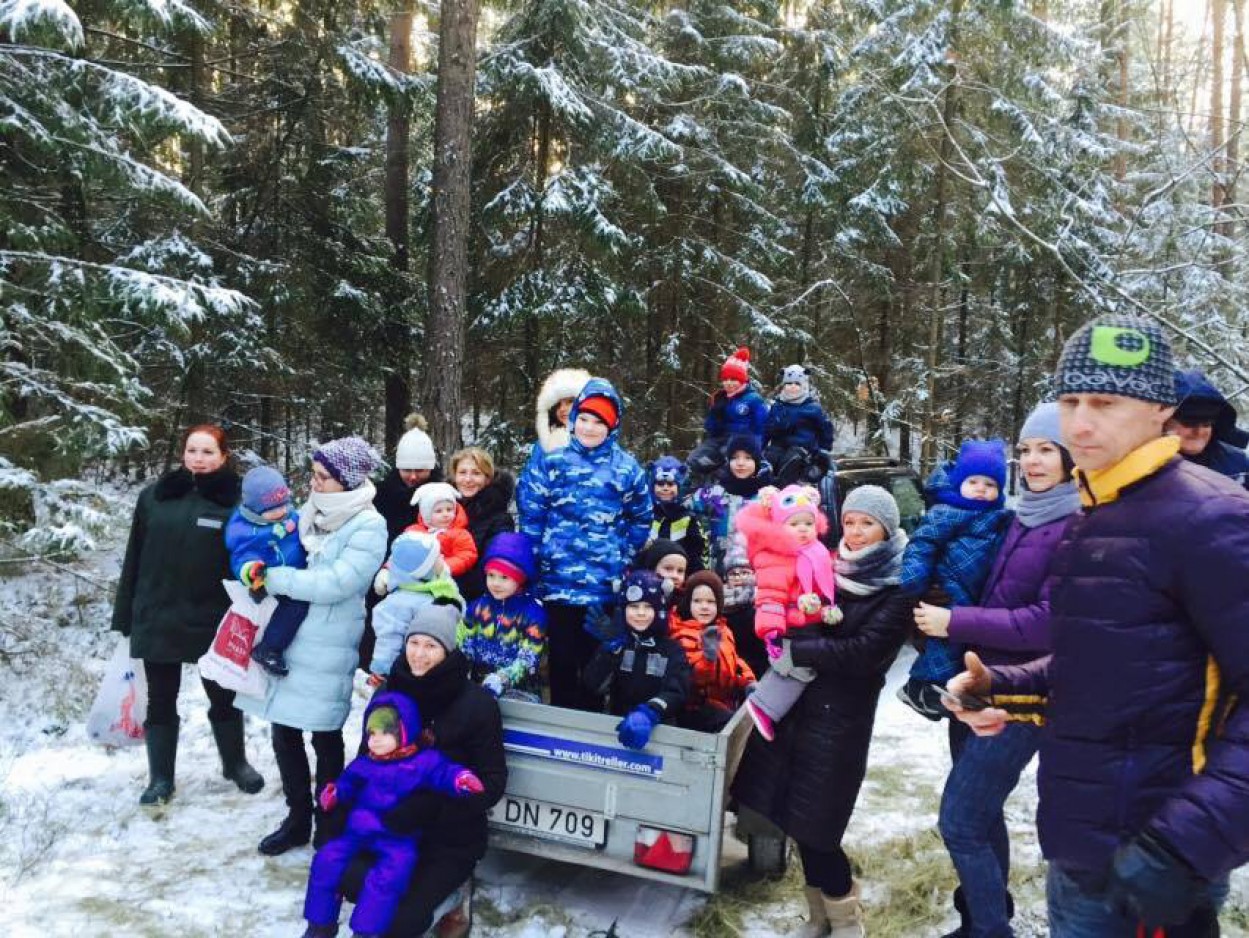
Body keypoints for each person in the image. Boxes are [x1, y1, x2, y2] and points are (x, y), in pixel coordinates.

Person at [945, 315, 1249, 938]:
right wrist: (1002, 686)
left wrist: (1182, 847)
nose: (1079, 424)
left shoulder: (1212, 518)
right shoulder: (1097, 509)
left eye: (1106, 403)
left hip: (1155, 859)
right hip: (1081, 845)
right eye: (1070, 401)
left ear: (1162, 409)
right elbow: (1111, 663)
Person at [915, 402, 1080, 938]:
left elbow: (1047, 623)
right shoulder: (1020, 515)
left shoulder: (1075, 525)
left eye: (1046, 450)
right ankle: (981, 921)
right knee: (982, 814)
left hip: (1024, 697)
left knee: (959, 820)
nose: (1032, 461)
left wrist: (954, 620)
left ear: (1070, 456)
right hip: (978, 681)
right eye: (1026, 450)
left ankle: (991, 931)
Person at [731, 485, 911, 938]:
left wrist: (799, 650)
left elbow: (863, 653)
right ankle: (818, 918)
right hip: (801, 713)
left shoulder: (896, 587)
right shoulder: (825, 564)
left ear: (887, 530)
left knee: (821, 830)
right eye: (850, 521)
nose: (856, 531)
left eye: (867, 523)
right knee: (797, 822)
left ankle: (847, 922)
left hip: (840, 723)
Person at [237, 436, 388, 856]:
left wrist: (277, 579)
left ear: (347, 481)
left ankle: (330, 820)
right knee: (284, 731)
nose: (314, 483)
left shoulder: (369, 524)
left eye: (323, 477)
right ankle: (297, 818)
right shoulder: (310, 511)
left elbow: (339, 582)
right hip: (287, 638)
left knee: (324, 735)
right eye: (314, 474)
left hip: (328, 643)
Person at [112, 423, 264, 805]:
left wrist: (254, 609)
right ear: (183, 452)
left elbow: (249, 559)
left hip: (213, 617)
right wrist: (125, 613)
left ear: (223, 456)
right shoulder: (154, 497)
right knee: (161, 701)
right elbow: (134, 557)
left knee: (223, 696)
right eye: (192, 450)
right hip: (158, 614)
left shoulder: (237, 503)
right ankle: (161, 779)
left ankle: (235, 764)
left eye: (208, 452)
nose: (198, 458)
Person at [338, 602, 507, 938]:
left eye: (431, 646)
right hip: (391, 828)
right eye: (413, 643)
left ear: (448, 650)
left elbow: (492, 782)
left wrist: (430, 807)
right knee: (347, 878)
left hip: (449, 837)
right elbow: (364, 762)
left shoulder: (476, 705)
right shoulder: (388, 693)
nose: (418, 654)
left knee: (399, 922)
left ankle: (452, 898)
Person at [300, 692, 483, 938]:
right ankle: (320, 925)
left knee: (387, 878)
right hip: (358, 831)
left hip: (396, 837)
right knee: (326, 860)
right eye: (371, 733)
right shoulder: (365, 763)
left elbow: (444, 773)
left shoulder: (424, 761)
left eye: (385, 732)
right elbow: (348, 783)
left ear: (405, 732)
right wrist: (335, 793)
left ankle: (366, 931)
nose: (375, 740)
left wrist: (461, 779)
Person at [517, 378, 652, 710]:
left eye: (599, 422)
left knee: (595, 669)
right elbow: (531, 514)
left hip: (602, 588)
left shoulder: (627, 469)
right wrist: (535, 562)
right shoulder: (551, 460)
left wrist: (623, 555)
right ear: (574, 418)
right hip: (557, 584)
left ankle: (591, 730)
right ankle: (561, 728)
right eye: (585, 419)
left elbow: (641, 517)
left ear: (612, 427)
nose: (590, 428)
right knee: (561, 663)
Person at [897, 440, 1011, 720]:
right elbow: (922, 544)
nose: (981, 489)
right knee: (944, 644)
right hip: (950, 586)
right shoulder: (945, 513)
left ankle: (938, 690)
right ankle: (923, 687)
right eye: (973, 482)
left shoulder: (1001, 518)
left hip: (979, 593)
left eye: (990, 484)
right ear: (959, 484)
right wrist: (914, 578)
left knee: (964, 649)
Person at [735, 484, 840, 742]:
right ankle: (764, 707)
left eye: (808, 523)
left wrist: (825, 608)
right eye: (794, 524)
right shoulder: (776, 556)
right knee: (798, 669)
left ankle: (766, 703)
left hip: (809, 620)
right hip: (788, 625)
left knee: (798, 667)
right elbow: (770, 595)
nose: (803, 529)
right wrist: (771, 631)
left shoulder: (816, 552)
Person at [582, 570, 692, 750]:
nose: (641, 613)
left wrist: (650, 712)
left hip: (661, 734)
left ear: (659, 611)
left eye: (648, 607)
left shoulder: (672, 649)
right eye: (634, 607)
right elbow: (593, 685)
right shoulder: (619, 645)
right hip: (617, 731)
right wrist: (611, 651)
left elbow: (678, 691)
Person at [366, 416, 441, 672]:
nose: (413, 476)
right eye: (406, 469)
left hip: (427, 585)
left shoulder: (441, 494)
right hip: (387, 581)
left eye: (420, 470)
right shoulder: (381, 495)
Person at [225, 465, 310, 677]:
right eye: (273, 509)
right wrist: (251, 570)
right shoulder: (245, 531)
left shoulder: (290, 516)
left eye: (284, 505)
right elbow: (241, 557)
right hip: (269, 579)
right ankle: (269, 648)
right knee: (296, 606)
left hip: (298, 572)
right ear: (255, 509)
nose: (281, 512)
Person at [667, 570, 756, 732]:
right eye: (697, 601)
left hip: (723, 701)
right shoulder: (682, 633)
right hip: (695, 707)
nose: (704, 607)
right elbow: (691, 679)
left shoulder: (724, 629)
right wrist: (708, 658)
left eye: (711, 601)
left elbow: (734, 661)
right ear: (688, 603)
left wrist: (748, 682)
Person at [461, 532, 547, 699]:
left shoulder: (534, 614)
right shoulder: (477, 607)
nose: (496, 583)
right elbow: (464, 643)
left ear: (521, 579)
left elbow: (529, 657)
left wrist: (502, 678)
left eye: (504, 577)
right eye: (491, 575)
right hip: (478, 684)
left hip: (520, 690)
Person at [368, 532, 464, 680]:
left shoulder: (441, 585)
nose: (443, 557)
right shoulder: (400, 602)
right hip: (414, 668)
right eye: (437, 556)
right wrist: (384, 671)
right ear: (423, 570)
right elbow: (389, 639)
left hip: (443, 664)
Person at [687, 433, 772, 576]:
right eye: (735, 458)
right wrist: (689, 476)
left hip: (755, 573)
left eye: (748, 458)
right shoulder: (713, 493)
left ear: (757, 461)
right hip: (715, 571)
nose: (740, 463)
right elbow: (683, 507)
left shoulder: (767, 497)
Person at [687, 347, 770, 476]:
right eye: (725, 379)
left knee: (726, 459)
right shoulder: (720, 398)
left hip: (743, 443)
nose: (729, 383)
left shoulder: (753, 399)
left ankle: (725, 480)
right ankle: (700, 481)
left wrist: (756, 450)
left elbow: (762, 428)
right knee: (695, 459)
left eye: (733, 379)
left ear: (742, 379)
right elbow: (711, 430)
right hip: (720, 441)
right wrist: (715, 413)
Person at [449, 446, 515, 603]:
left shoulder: (499, 518)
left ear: (487, 479)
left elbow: (494, 566)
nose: (468, 479)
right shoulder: (444, 509)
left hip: (476, 599)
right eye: (462, 472)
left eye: (476, 473)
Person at [1167, 369, 1249, 488]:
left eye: (1207, 424)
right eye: (1189, 423)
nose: (1199, 431)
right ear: (1163, 420)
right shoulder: (1145, 466)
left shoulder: (1238, 465)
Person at [763, 365, 835, 485]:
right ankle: (767, 486)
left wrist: (823, 450)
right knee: (769, 457)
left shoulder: (813, 408)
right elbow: (767, 429)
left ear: (804, 386)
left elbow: (825, 429)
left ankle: (784, 486)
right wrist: (760, 446)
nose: (793, 386)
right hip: (779, 447)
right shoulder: (777, 406)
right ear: (784, 386)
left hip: (803, 450)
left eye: (797, 384)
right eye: (789, 383)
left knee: (793, 459)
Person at [405, 482, 478, 579]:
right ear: (426, 514)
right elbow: (400, 554)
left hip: (447, 580)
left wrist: (444, 566)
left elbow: (466, 555)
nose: (445, 514)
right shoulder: (413, 532)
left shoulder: (460, 534)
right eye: (438, 511)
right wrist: (388, 569)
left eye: (449, 509)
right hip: (414, 578)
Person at [647, 455, 706, 572]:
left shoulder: (688, 518)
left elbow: (698, 554)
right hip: (649, 575)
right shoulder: (645, 515)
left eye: (670, 484)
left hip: (679, 575)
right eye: (660, 484)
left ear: (679, 487)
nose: (665, 488)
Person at [722, 537, 767, 679]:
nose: (738, 577)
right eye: (733, 574)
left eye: (744, 572)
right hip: (730, 667)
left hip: (759, 668)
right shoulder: (719, 603)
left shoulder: (763, 600)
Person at [533, 367, 592, 454]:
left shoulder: (602, 443)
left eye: (570, 401)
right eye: (557, 405)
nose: (562, 409)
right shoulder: (542, 446)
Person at [634, 538, 690, 608]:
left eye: (680, 571)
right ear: (651, 568)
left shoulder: (688, 601)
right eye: (668, 569)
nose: (675, 576)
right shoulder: (637, 597)